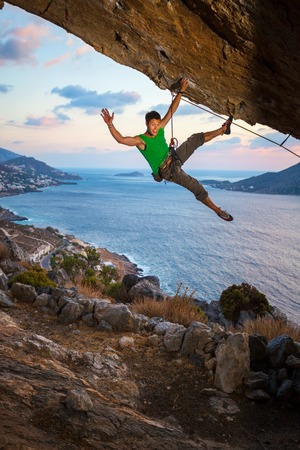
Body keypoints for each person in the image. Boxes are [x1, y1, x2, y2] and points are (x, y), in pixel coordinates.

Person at [100, 77, 233, 221]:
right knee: (195, 186)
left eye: (157, 124)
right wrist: (110, 125)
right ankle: (217, 210)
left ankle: (223, 130)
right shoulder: (141, 140)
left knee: (195, 138)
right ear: (146, 124)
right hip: (169, 171)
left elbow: (171, 111)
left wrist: (181, 91)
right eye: (152, 124)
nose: (156, 127)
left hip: (174, 157)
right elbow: (121, 139)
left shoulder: (160, 129)